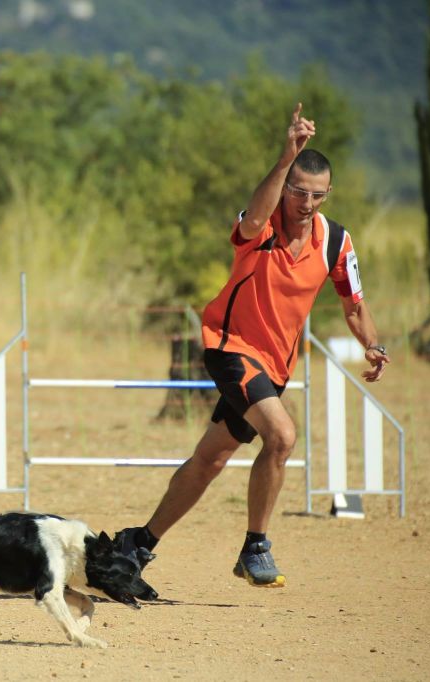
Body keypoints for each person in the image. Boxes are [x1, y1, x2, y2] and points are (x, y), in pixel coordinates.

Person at [115, 102, 389, 587]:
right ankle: (255, 547)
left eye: (317, 195)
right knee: (281, 436)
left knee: (210, 460)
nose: (306, 203)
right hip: (230, 347)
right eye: (299, 192)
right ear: (286, 188)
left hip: (274, 369)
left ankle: (137, 546)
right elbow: (250, 219)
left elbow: (354, 305)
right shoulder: (260, 229)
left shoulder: (336, 243)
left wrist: (371, 343)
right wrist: (285, 156)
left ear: (329, 195)